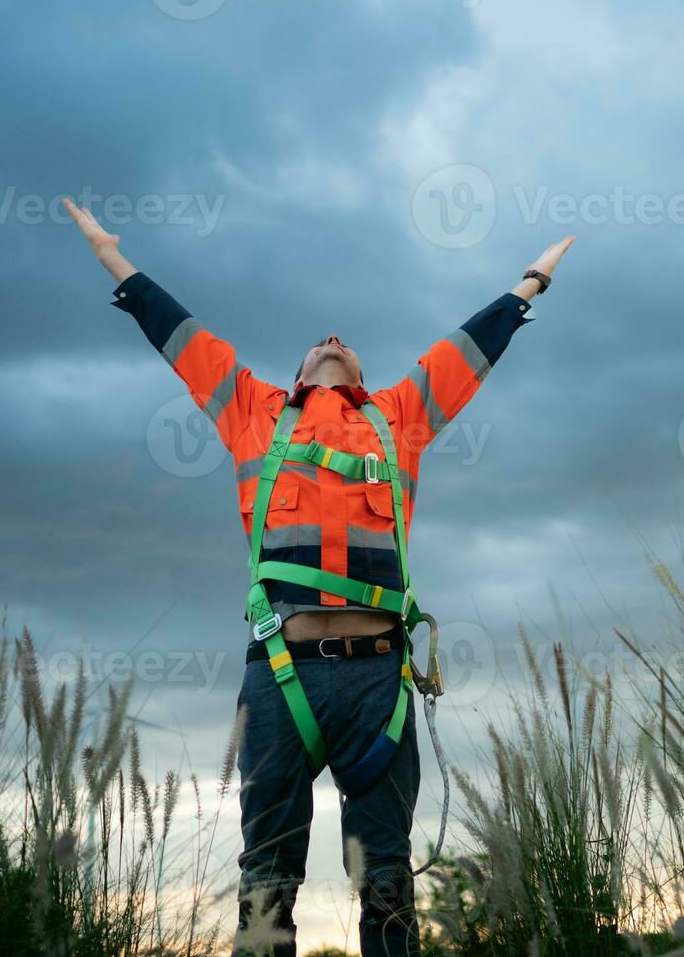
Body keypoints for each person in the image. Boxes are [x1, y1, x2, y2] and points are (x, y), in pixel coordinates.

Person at [63, 198, 574, 956]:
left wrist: (531, 281)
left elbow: (466, 350)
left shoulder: (399, 415)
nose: (334, 341)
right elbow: (180, 336)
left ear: (364, 374)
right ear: (297, 371)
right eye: (318, 343)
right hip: (280, 677)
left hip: (379, 685)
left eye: (346, 344)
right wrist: (113, 257)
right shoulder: (251, 409)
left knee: (389, 882)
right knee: (266, 876)